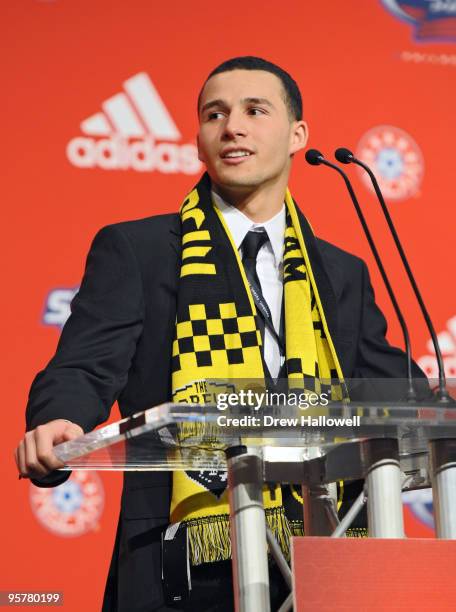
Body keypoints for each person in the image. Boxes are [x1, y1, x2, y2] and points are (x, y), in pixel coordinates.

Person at [15, 56, 427, 611]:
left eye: (255, 110)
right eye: (215, 114)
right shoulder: (139, 251)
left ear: (297, 134)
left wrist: (432, 414)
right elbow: (83, 366)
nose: (232, 126)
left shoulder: (342, 271)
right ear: (200, 139)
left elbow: (393, 388)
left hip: (322, 559)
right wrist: (57, 419)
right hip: (183, 559)